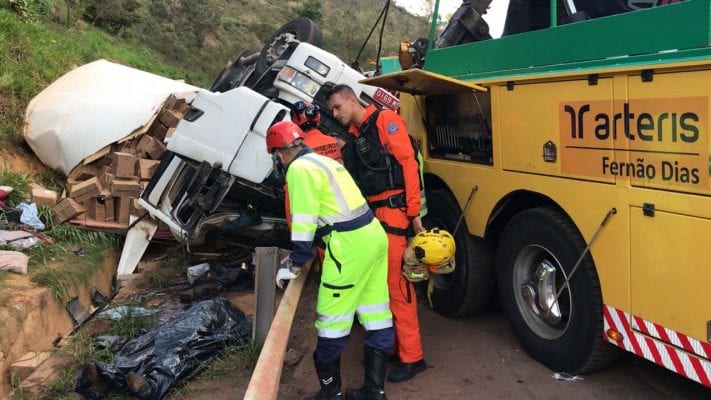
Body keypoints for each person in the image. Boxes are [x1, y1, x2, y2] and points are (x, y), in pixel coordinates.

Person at [266, 120, 394, 400]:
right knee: (376, 314)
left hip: (348, 248)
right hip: (373, 237)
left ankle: (331, 394)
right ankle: (375, 391)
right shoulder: (325, 161)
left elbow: (304, 218)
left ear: (278, 154)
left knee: (330, 323)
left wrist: (296, 260)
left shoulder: (298, 169)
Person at [326, 84, 427, 383]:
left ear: (350, 100)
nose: (335, 114)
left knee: (398, 287)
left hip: (395, 213)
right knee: (382, 287)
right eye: (332, 110)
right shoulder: (358, 137)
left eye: (336, 108)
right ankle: (396, 347)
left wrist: (415, 215)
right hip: (376, 217)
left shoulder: (385, 122)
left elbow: (408, 165)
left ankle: (413, 356)